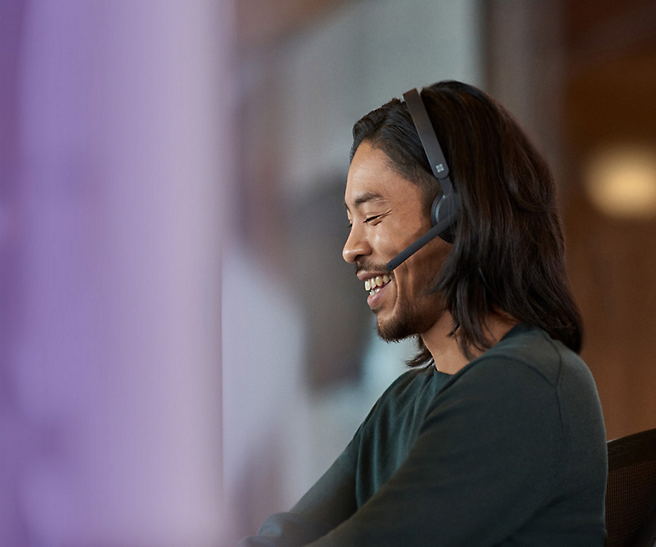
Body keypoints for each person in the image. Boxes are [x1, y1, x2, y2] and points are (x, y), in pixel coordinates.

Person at [237, 80, 607, 546]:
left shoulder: (526, 385)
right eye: (350, 222)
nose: (350, 248)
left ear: (452, 212)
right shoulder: (402, 405)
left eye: (372, 217)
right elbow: (289, 532)